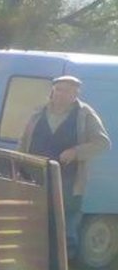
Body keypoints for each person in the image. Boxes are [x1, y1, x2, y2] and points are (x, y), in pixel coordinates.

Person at [20, 75, 111, 256]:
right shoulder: (39, 112)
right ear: (52, 91)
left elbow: (103, 143)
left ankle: (63, 265)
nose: (61, 94)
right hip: (35, 177)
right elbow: (23, 143)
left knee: (65, 229)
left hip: (68, 182)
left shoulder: (85, 114)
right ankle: (35, 262)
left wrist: (75, 152)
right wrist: (19, 167)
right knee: (34, 224)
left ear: (75, 94)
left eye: (67, 91)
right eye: (58, 90)